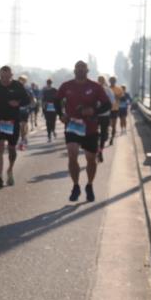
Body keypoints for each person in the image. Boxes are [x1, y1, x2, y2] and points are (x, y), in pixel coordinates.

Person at [55, 60, 112, 202]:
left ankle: (89, 185)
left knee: (91, 160)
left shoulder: (95, 87)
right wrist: (60, 114)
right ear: (74, 71)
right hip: (72, 126)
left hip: (90, 127)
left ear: (87, 71)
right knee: (72, 155)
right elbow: (56, 100)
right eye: (78, 68)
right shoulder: (66, 86)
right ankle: (75, 186)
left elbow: (107, 105)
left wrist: (94, 110)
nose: (80, 71)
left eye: (83, 69)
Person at [0, 66, 29, 187]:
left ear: (12, 75)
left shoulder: (17, 85)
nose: (4, 79)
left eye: (7, 76)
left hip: (13, 121)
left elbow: (27, 100)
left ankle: (10, 169)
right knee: (0, 146)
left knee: (11, 149)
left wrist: (18, 103)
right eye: (2, 76)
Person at [95, 75, 115, 163]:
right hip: (102, 115)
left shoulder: (107, 90)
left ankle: (99, 151)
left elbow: (112, 102)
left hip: (99, 115)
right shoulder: (108, 90)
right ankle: (99, 151)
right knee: (102, 135)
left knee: (100, 135)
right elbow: (112, 102)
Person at [17, 74, 34, 151]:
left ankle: (24, 137)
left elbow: (32, 98)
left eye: (22, 80)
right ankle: (23, 138)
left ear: (25, 81)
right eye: (20, 79)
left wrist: (32, 104)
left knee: (24, 125)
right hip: (18, 109)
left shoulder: (28, 88)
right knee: (20, 125)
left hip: (26, 109)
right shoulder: (15, 88)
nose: (21, 81)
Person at [109, 76, 124, 143]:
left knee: (114, 124)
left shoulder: (119, 89)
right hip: (107, 109)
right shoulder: (107, 89)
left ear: (115, 81)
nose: (112, 82)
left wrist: (115, 96)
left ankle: (112, 137)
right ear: (109, 81)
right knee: (109, 124)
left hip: (115, 108)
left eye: (113, 81)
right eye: (111, 80)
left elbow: (121, 98)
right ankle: (108, 134)